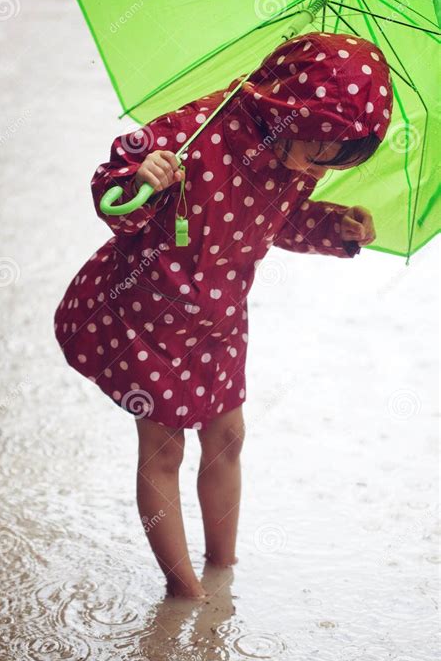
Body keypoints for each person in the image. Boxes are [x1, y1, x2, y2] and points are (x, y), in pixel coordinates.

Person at [54, 32, 393, 598]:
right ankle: (184, 588)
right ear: (290, 109)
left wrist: (336, 227)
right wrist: (141, 183)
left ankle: (223, 565)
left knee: (229, 436)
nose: (319, 172)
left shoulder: (295, 161)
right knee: (165, 448)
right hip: (150, 310)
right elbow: (109, 196)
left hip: (219, 316)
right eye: (318, 154)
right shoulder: (199, 129)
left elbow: (279, 222)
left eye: (333, 164)